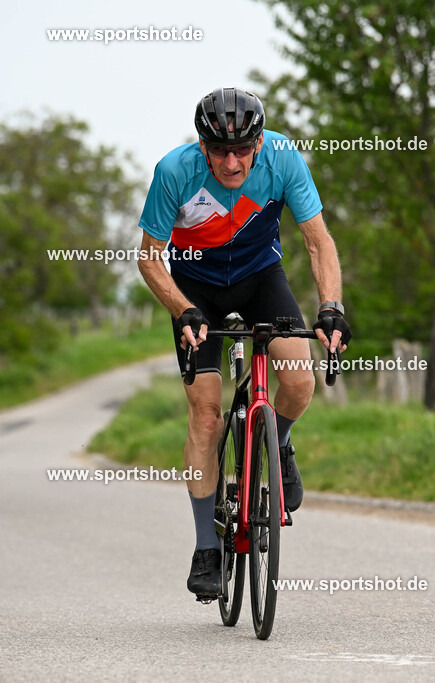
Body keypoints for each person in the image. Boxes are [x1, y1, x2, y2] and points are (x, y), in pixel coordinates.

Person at [137, 87, 351, 600]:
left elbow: (318, 240)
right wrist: (182, 308)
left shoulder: (282, 159)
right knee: (206, 415)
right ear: (202, 146)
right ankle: (207, 546)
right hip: (195, 289)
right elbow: (149, 257)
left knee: (299, 382)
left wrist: (331, 308)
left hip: (260, 278)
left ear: (259, 142)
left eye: (242, 151)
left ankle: (276, 443)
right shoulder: (174, 172)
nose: (231, 163)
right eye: (218, 151)